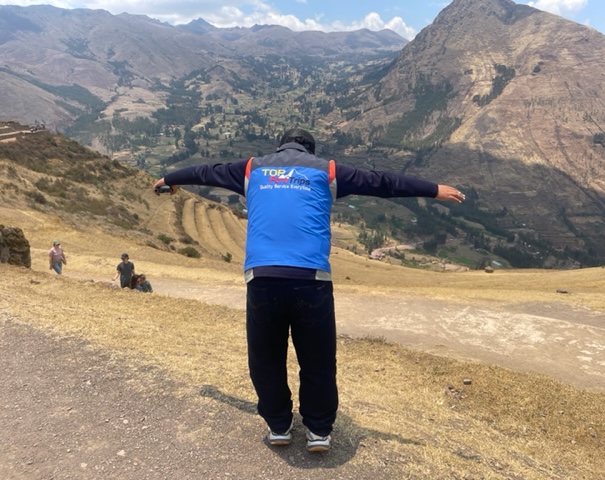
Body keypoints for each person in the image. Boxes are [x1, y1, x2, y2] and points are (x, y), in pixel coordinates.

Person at [153, 127, 465, 452]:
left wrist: (169, 178)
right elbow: (382, 182)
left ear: (279, 148)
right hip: (311, 280)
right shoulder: (327, 171)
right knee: (317, 360)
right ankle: (318, 431)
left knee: (265, 358)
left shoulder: (250, 169)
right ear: (310, 151)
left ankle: (278, 426)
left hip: (262, 278)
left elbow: (205, 172)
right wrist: (433, 190)